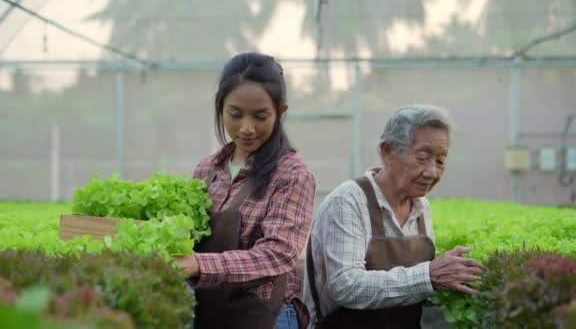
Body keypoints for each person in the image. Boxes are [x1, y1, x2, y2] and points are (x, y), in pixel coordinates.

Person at [303, 105, 484, 329]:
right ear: (388, 151)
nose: (432, 172)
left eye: (440, 161)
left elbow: (412, 289)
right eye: (422, 157)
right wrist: (429, 276)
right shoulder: (348, 201)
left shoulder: (421, 206)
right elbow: (346, 286)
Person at [175, 52, 316, 329]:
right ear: (220, 108)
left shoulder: (292, 174)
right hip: (210, 316)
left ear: (280, 112)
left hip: (263, 318)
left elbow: (278, 253)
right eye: (235, 115)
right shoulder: (208, 169)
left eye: (261, 116)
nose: (247, 128)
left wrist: (199, 265)